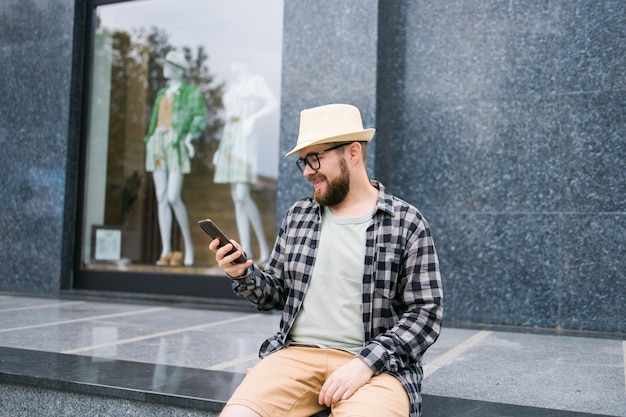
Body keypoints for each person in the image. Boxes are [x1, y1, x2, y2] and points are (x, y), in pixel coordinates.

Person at [208, 103, 444, 417]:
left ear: (353, 152)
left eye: (315, 158)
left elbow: (425, 313)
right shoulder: (298, 216)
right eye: (303, 162)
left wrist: (365, 363)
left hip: (376, 367)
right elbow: (275, 294)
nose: (307, 171)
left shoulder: (406, 222)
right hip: (294, 357)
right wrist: (243, 273)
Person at [144, 50, 209, 266]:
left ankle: (187, 246)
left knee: (173, 196)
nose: (164, 67)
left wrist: (189, 137)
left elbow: (200, 117)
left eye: (168, 64)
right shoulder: (162, 92)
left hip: (175, 141)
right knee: (161, 197)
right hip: (157, 141)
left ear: (177, 69)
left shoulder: (190, 92)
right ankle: (166, 250)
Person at [213, 61, 276, 263]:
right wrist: (220, 149)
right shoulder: (233, 86)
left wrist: (253, 119)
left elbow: (272, 103)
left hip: (245, 137)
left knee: (242, 194)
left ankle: (264, 247)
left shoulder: (255, 81)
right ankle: (247, 248)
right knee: (237, 198)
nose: (232, 64)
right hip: (229, 138)